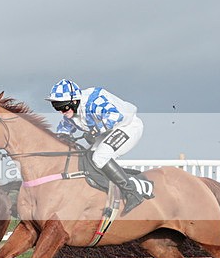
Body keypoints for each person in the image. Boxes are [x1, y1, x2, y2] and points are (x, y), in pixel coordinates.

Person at [45, 79, 145, 215]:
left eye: (63, 106)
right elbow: (63, 129)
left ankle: (132, 192)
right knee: (88, 156)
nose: (61, 111)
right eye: (57, 107)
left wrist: (94, 132)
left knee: (99, 157)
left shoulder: (93, 102)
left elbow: (115, 116)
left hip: (127, 127)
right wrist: (61, 139)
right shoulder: (71, 112)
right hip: (109, 131)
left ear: (74, 101)